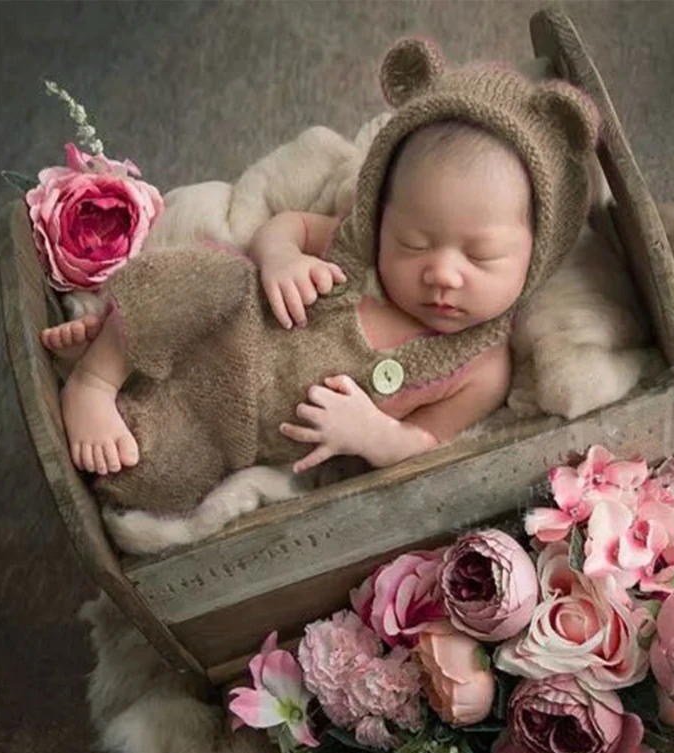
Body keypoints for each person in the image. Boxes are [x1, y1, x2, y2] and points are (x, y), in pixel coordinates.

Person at [39, 38, 600, 515]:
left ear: (537, 255)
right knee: (197, 276)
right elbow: (287, 226)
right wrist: (283, 258)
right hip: (226, 322)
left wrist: (370, 433)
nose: (442, 273)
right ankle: (98, 376)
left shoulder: (481, 367)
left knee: (153, 479)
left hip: (236, 433)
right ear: (382, 215)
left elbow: (424, 443)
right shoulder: (358, 249)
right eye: (414, 242)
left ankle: (128, 365)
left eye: (482, 258)